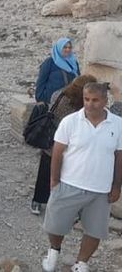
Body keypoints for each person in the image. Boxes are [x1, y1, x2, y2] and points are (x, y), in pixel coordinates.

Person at [41, 82, 122, 272]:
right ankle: (54, 251)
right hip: (70, 183)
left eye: (95, 100)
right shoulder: (70, 121)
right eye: (86, 99)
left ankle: (81, 262)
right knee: (55, 224)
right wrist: (54, 180)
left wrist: (117, 185)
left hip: (100, 190)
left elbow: (119, 156)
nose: (90, 104)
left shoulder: (118, 125)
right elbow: (58, 152)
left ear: (105, 100)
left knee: (95, 230)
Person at [30, 74, 98, 215]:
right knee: (63, 175)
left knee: (44, 172)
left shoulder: (59, 94)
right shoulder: (78, 106)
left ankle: (37, 201)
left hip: (50, 141)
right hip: (66, 145)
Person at [35, 38, 80, 104]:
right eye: (64, 47)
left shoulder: (73, 63)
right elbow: (41, 81)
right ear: (59, 48)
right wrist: (40, 98)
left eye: (69, 47)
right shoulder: (50, 62)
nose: (67, 50)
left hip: (69, 100)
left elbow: (78, 80)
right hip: (52, 101)